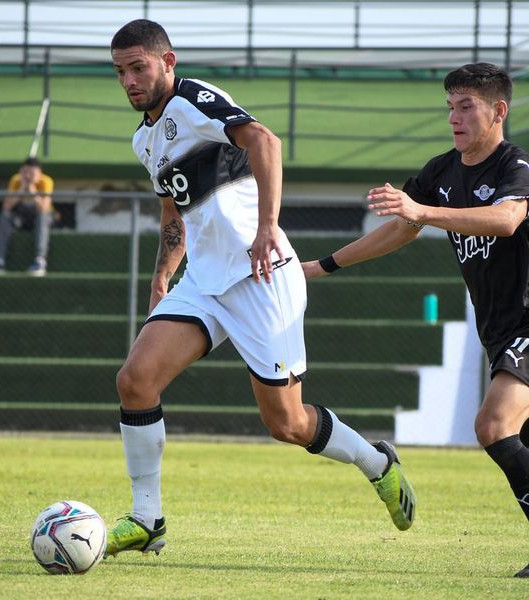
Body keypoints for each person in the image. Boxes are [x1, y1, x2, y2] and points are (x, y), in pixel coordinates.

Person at [103, 19, 416, 560]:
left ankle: (377, 462)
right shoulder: (144, 138)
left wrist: (268, 225)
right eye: (121, 72)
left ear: (168, 61)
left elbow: (264, 140)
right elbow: (173, 212)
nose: (130, 80)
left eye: (139, 67)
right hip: (204, 281)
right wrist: (162, 274)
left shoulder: (196, 99)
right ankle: (147, 519)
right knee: (135, 380)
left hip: (262, 275)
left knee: (287, 424)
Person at [302, 62, 529, 578]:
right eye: (450, 106)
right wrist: (324, 264)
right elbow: (400, 229)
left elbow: (507, 219)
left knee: (493, 425)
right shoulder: (442, 172)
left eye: (466, 105)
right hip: (500, 331)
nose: (454, 116)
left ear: (499, 111)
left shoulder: (516, 167)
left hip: (528, 323)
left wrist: (422, 212)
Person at [0, 157, 54, 277]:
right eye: (24, 172)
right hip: (21, 216)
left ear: (39, 174)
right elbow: (6, 207)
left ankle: (40, 261)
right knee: (4, 217)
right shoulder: (16, 180)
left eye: (31, 173)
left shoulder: (46, 181)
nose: (27, 176)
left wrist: (32, 191)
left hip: (39, 217)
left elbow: (44, 208)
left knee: (43, 217)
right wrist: (21, 189)